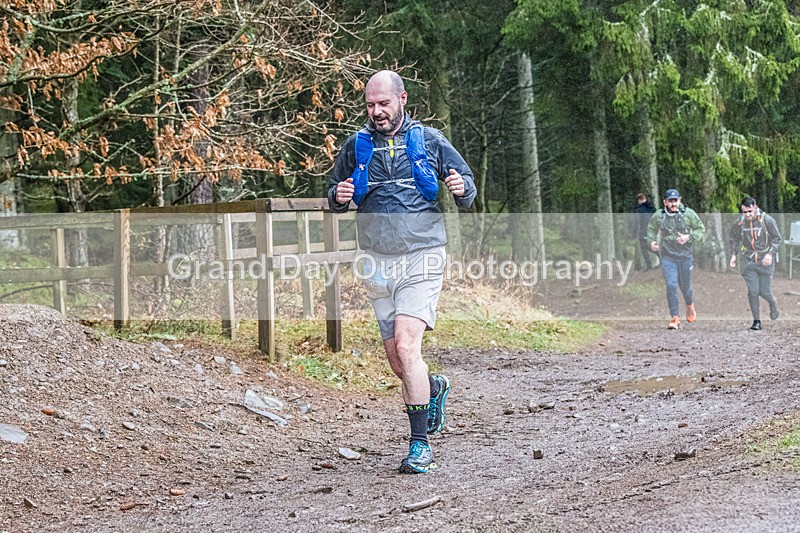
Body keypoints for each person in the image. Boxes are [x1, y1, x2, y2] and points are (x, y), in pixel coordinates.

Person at [327, 70, 476, 474]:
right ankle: (434, 386)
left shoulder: (429, 140)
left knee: (408, 348)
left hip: (422, 255)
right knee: (398, 360)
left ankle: (419, 445)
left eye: (383, 104)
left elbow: (468, 187)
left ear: (402, 99)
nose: (376, 112)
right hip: (376, 261)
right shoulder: (356, 145)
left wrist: (462, 188)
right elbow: (334, 191)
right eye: (370, 105)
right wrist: (337, 197)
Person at [647, 188, 705, 330]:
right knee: (671, 285)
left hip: (685, 256)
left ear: (680, 200)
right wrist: (652, 242)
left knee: (685, 287)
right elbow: (651, 230)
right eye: (670, 201)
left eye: (675, 201)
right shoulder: (658, 216)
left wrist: (688, 237)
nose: (673, 204)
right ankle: (675, 317)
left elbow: (701, 229)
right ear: (665, 202)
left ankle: (690, 306)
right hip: (668, 257)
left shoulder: (689, 214)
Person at [728, 196, 781, 330]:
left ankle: (773, 303)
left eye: (750, 211)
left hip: (765, 261)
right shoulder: (740, 222)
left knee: (764, 292)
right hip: (748, 260)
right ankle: (756, 321)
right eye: (745, 212)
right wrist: (734, 254)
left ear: (755, 207)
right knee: (753, 291)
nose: (748, 215)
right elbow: (733, 238)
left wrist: (770, 254)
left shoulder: (767, 220)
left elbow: (777, 239)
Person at [632, 193, 656, 271]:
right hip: (653, 230)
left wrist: (634, 232)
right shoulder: (651, 207)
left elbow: (636, 222)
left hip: (643, 231)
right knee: (652, 246)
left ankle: (649, 266)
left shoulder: (639, 210)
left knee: (644, 247)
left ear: (639, 200)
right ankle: (661, 258)